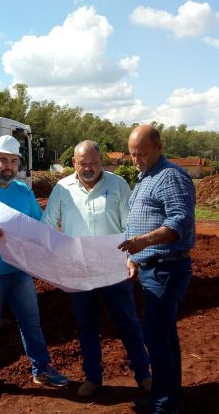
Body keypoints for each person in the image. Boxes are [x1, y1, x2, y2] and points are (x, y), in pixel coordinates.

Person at [0, 135, 69, 401]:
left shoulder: (23, 191)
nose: (8, 166)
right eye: (2, 160)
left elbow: (38, 222)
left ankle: (41, 369)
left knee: (31, 321)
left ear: (18, 163)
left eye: (13, 161)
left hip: (19, 269)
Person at [41, 140, 152, 398]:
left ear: (101, 161)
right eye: (83, 164)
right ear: (74, 164)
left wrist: (134, 258)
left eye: (93, 163)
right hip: (79, 269)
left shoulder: (118, 185)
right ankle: (93, 377)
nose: (88, 168)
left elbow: (131, 224)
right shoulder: (62, 188)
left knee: (127, 322)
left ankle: (144, 375)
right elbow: (48, 224)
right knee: (86, 325)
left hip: (114, 266)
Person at [118, 125, 196, 414]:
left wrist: (143, 242)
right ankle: (168, 395)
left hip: (167, 269)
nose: (136, 159)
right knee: (163, 335)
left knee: (155, 334)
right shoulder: (146, 176)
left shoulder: (170, 176)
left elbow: (181, 220)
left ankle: (165, 404)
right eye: (132, 154)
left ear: (159, 147)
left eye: (142, 154)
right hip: (153, 267)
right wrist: (136, 258)